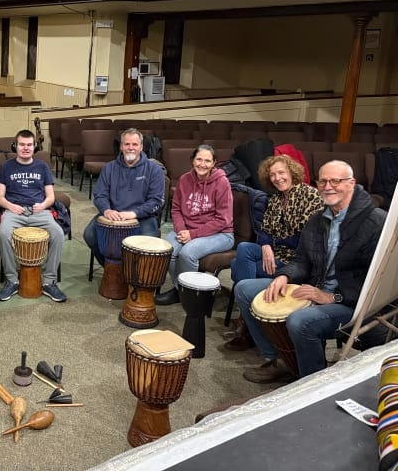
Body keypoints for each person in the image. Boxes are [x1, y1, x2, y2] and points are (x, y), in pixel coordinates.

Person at [235, 160, 387, 383]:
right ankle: (281, 359)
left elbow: (376, 280)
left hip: (351, 303)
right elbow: (302, 260)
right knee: (244, 289)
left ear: (352, 183)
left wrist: (331, 297)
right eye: (323, 181)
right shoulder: (319, 219)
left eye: (335, 181)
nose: (328, 186)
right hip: (315, 285)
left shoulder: (376, 222)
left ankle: (311, 384)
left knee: (300, 321)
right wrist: (284, 275)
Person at [225, 155, 324, 350]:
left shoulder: (310, 196)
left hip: (295, 262)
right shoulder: (276, 199)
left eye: (281, 173)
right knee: (244, 248)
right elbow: (265, 230)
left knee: (237, 266)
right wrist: (265, 245)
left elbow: (304, 240)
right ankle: (251, 318)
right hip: (276, 253)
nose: (277, 178)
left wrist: (273, 242)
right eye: (272, 175)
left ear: (292, 172)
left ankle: (247, 324)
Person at [0, 129, 67, 303]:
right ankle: (12, 280)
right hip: (14, 211)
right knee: (3, 234)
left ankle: (49, 281)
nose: (25, 148)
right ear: (15, 146)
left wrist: (43, 205)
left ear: (34, 147)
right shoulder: (6, 167)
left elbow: (50, 196)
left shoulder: (42, 167)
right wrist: (11, 206)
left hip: (39, 211)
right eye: (22, 144)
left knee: (58, 234)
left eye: (29, 145)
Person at [156, 144, 234, 305]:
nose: (202, 164)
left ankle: (190, 297)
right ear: (192, 160)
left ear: (214, 163)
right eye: (199, 159)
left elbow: (223, 220)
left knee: (188, 253)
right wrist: (182, 230)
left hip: (221, 233)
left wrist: (193, 234)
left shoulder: (222, 183)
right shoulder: (184, 179)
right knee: (167, 250)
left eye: (207, 161)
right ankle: (181, 290)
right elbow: (176, 209)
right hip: (187, 229)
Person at [83, 128, 166, 266]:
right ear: (121, 146)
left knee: (147, 244)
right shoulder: (109, 168)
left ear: (141, 147)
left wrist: (133, 213)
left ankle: (132, 273)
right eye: (127, 144)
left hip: (143, 218)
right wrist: (106, 210)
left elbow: (156, 201)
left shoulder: (154, 170)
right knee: (90, 235)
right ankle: (112, 269)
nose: (130, 148)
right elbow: (100, 195)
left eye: (135, 144)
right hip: (113, 215)